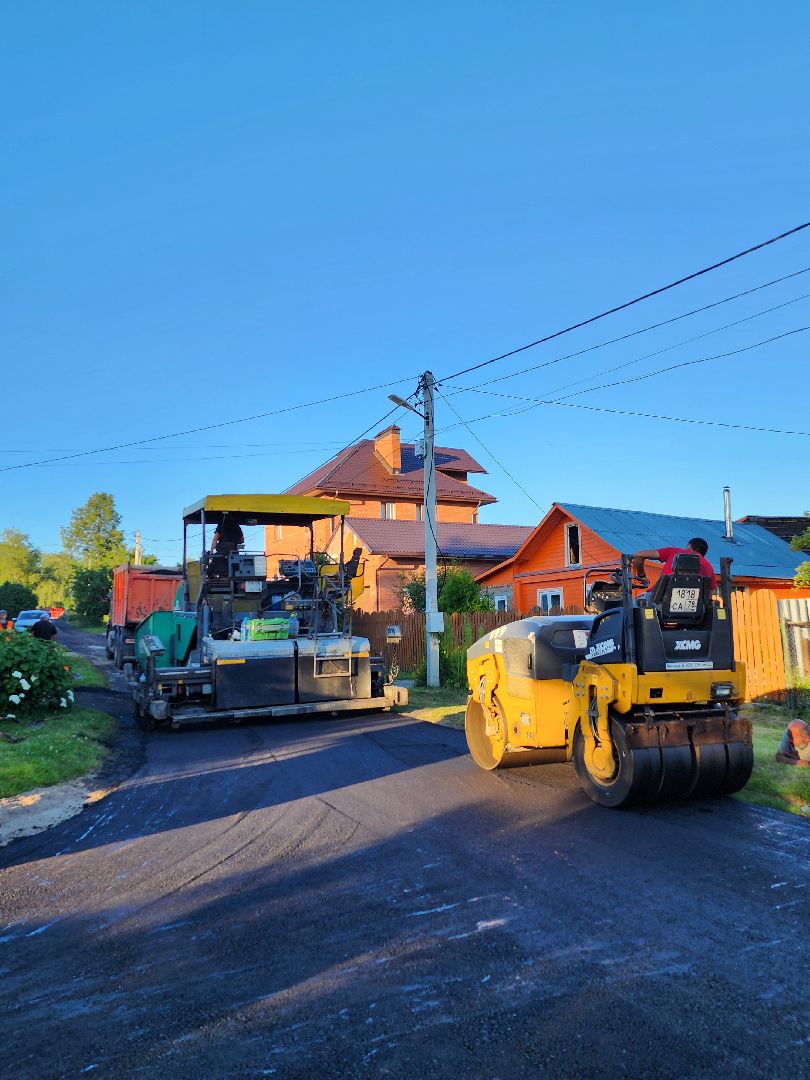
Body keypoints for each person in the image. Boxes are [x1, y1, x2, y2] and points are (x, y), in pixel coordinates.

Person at [632, 537, 717, 589]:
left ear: (689, 546)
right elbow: (710, 593)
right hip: (693, 611)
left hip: (660, 601)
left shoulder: (676, 552)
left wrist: (641, 575)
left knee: (631, 607)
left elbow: (638, 555)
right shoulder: (709, 567)